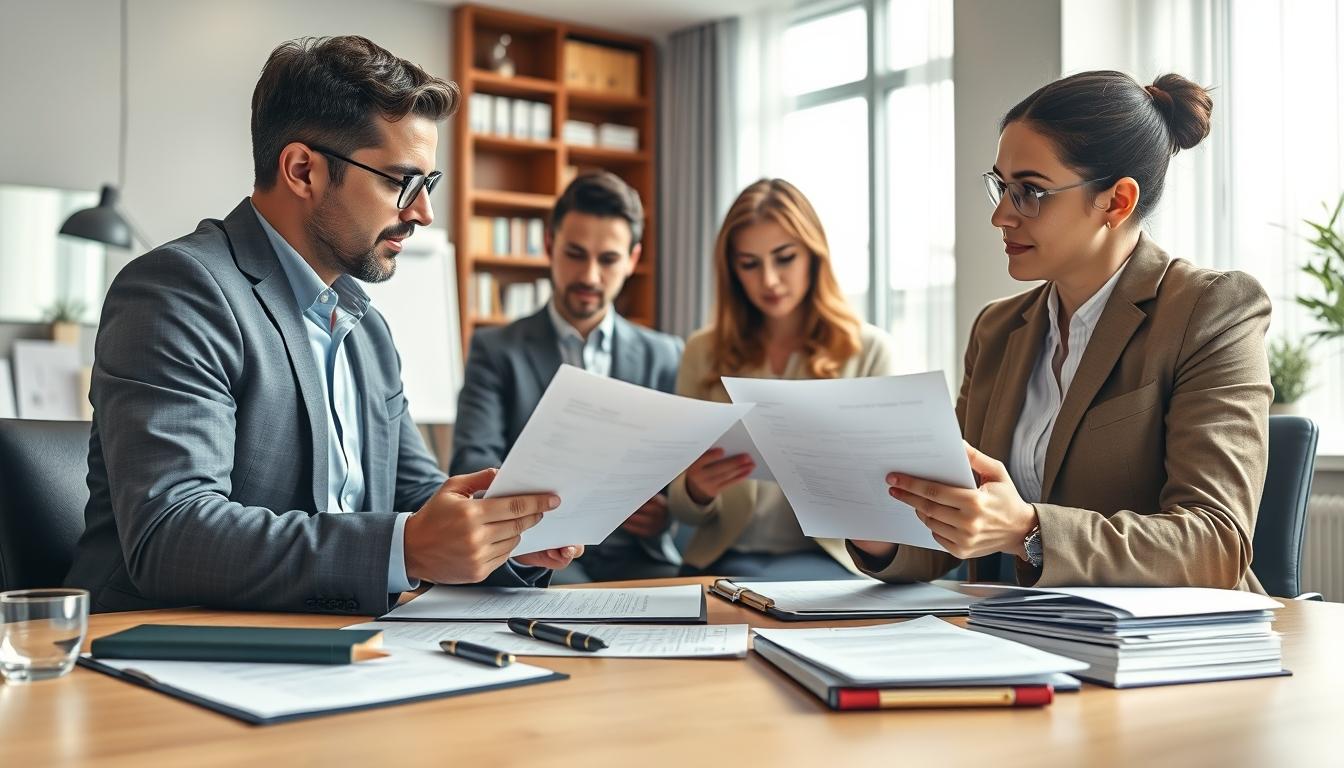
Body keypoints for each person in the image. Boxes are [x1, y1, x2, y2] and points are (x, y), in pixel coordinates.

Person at [66, 36, 581, 614]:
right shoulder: (177, 290)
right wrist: (405, 548)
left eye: (427, 186)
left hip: (335, 647)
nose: (423, 213)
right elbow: (173, 533)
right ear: (302, 170)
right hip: (159, 653)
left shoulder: (367, 329)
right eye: (400, 182)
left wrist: (502, 535)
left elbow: (410, 494)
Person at [850, 71, 1272, 591]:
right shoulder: (997, 329)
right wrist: (881, 529)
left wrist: (1029, 530)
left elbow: (1214, 544)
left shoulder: (1211, 310)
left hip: (1167, 652)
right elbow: (955, 527)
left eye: (1030, 191)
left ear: (1116, 202)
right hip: (1016, 635)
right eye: (1002, 187)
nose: (1001, 216)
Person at [451, 171, 684, 582]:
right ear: (548, 246)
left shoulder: (665, 355)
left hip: (639, 556)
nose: (590, 276)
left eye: (608, 259)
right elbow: (474, 461)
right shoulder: (495, 349)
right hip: (536, 552)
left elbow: (682, 475)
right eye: (575, 253)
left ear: (632, 260)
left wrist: (667, 514)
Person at [669, 179, 898, 579]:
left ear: (814, 255)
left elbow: (892, 496)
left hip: (831, 560)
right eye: (750, 264)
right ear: (732, 269)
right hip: (722, 558)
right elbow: (681, 508)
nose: (769, 280)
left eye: (785, 258)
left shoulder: (870, 350)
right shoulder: (702, 352)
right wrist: (697, 489)